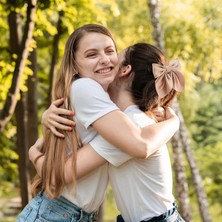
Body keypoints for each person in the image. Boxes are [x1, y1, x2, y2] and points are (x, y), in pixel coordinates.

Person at [16, 24, 180, 222]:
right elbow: (141, 144)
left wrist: (36, 153)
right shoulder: (87, 88)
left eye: (111, 51)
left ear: (125, 70)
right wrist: (174, 122)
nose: (105, 59)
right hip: (57, 213)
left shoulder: (121, 118)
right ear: (74, 64)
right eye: (92, 54)